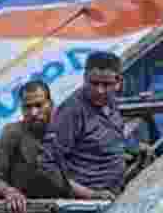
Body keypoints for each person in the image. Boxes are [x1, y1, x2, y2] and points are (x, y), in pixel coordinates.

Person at [42, 52, 130, 201]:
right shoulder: (72, 111)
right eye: (93, 83)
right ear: (84, 79)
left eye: (106, 85)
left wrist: (132, 149)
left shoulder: (111, 101)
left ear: (118, 82)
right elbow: (46, 164)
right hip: (91, 202)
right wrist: (91, 195)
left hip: (116, 189)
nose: (99, 90)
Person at [0, 79, 71, 213]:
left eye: (39, 105)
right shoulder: (13, 133)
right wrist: (9, 192)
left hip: (69, 209)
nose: (33, 112)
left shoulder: (67, 129)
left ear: (50, 104)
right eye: (27, 107)